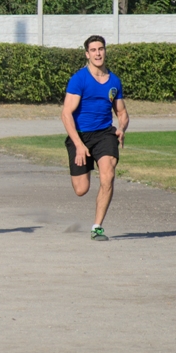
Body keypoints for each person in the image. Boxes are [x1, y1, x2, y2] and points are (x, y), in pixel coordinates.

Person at [61, 35, 129, 242]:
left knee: (108, 175)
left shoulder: (114, 81)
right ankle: (84, 162)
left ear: (105, 51)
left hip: (104, 134)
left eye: (101, 49)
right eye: (93, 50)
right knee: (81, 189)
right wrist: (79, 145)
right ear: (87, 54)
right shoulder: (79, 79)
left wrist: (122, 128)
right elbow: (66, 114)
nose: (98, 53)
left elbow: (122, 112)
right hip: (80, 135)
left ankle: (97, 227)